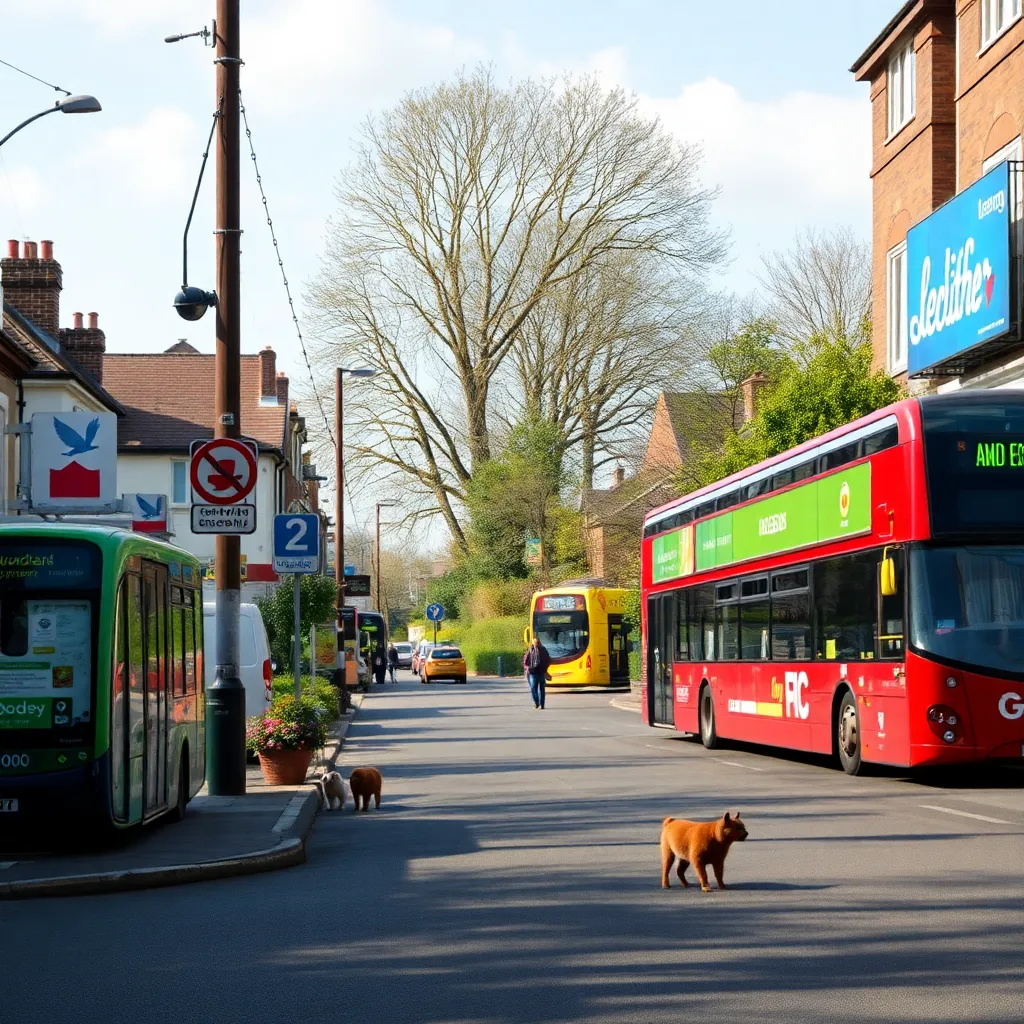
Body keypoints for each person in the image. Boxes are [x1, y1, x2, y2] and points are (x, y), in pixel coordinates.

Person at [523, 636, 551, 710]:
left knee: (542, 689)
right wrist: (528, 668)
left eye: (537, 642)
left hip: (541, 672)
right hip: (533, 673)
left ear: (539, 642)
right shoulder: (530, 650)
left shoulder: (543, 650)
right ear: (532, 642)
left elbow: (548, 660)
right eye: (534, 642)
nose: (536, 643)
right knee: (533, 688)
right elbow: (525, 662)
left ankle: (542, 704)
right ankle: (536, 702)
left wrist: (545, 669)